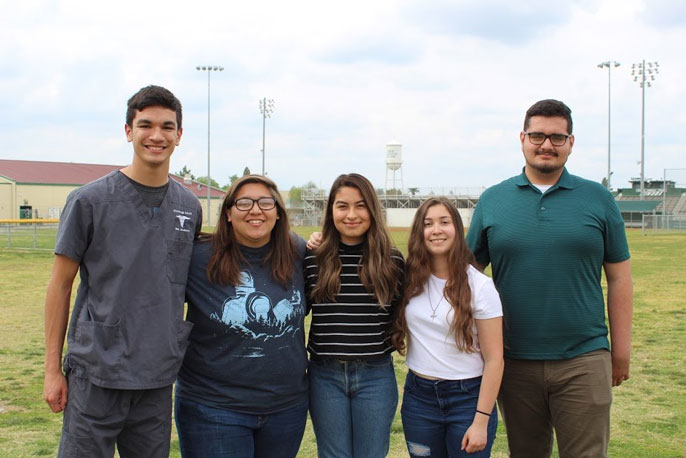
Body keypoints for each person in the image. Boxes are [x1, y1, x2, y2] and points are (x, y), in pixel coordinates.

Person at [466, 99, 633, 458]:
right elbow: (466, 276)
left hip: (584, 358)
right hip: (514, 360)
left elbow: (620, 279)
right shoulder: (493, 201)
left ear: (571, 142)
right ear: (522, 138)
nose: (546, 145)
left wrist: (620, 351)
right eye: (538, 135)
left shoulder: (599, 199)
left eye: (557, 138)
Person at [43, 85, 202, 457]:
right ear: (128, 130)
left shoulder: (189, 207)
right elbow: (59, 285)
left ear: (179, 135)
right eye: (145, 125)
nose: (156, 135)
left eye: (167, 126)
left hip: (156, 375)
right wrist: (52, 370)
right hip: (96, 371)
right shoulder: (89, 201)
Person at [174, 174, 308, 458]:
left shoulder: (299, 253)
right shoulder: (198, 257)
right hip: (213, 409)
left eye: (265, 202)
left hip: (286, 409)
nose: (256, 210)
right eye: (244, 202)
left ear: (279, 214)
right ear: (229, 214)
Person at [392, 197, 503, 457]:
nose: (436, 230)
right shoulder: (408, 279)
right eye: (428, 224)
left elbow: (495, 359)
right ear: (420, 232)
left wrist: (481, 420)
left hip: (467, 399)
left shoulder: (480, 287)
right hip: (419, 398)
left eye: (444, 222)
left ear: (458, 229)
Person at [304, 173, 404, 458]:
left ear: (372, 209)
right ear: (331, 211)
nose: (351, 215)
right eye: (342, 206)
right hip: (325, 376)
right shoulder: (313, 258)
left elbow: (400, 312)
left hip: (375, 376)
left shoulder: (392, 261)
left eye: (360, 206)